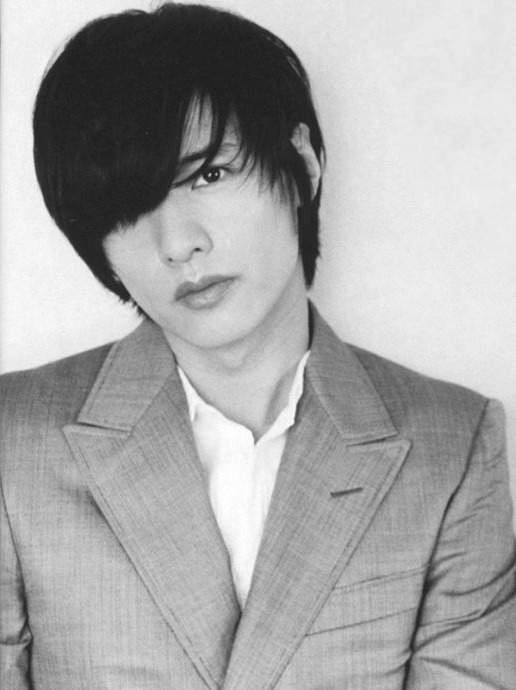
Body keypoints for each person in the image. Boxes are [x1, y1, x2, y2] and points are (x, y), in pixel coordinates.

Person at [1, 3, 515, 688]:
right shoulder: (13, 443)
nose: (178, 243)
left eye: (208, 176)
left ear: (301, 162)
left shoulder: (450, 446)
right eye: (127, 208)